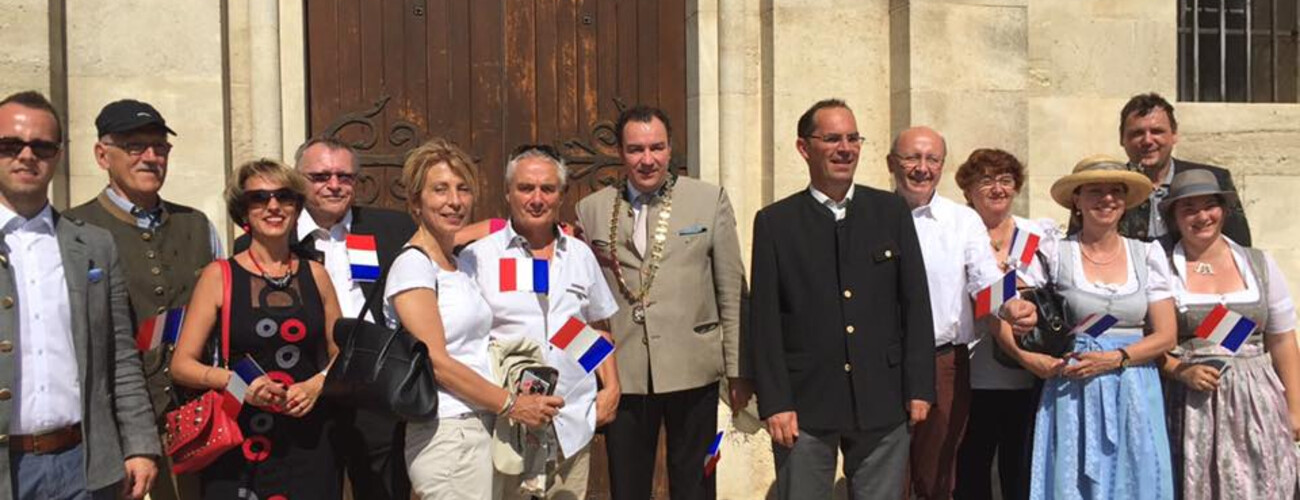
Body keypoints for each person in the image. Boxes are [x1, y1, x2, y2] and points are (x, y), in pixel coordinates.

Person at [749, 98, 935, 499]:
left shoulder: (890, 211)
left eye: (852, 138)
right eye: (832, 138)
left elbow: (915, 303)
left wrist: (919, 385)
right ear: (804, 148)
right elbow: (764, 321)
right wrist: (775, 401)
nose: (845, 148)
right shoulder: (776, 222)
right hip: (805, 402)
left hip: (882, 396)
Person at [574, 105, 747, 500]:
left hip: (694, 369)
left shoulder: (708, 200)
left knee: (697, 481)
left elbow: (732, 291)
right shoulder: (593, 209)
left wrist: (737, 371)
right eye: (636, 149)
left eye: (657, 148)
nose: (647, 160)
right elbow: (586, 304)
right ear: (621, 152)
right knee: (628, 486)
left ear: (670, 150)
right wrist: (592, 375)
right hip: (626, 372)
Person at [234, 136, 417, 500]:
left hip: (373, 390)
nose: (334, 185)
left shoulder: (393, 229)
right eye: (319, 176)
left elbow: (446, 243)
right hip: (304, 392)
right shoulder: (267, 239)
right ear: (297, 181)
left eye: (344, 177)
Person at [0, 90, 160, 499]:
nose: (26, 156)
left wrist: (140, 445)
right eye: (10, 145)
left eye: (42, 146)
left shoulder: (93, 245)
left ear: (58, 155)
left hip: (85, 466)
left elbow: (120, 355)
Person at [387, 137, 563, 500]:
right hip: (448, 430)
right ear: (415, 201)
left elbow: (498, 228)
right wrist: (513, 404)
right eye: (440, 189)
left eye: (463, 189)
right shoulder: (412, 266)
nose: (455, 201)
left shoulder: (461, 262)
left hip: (482, 426)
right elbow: (436, 361)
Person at [65, 98, 221, 500]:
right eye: (135, 147)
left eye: (160, 147)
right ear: (103, 155)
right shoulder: (74, 230)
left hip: (197, 421)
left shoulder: (197, 225)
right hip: (113, 423)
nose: (151, 158)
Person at [999, 154, 1177, 499]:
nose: (1106, 199)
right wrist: (1021, 333)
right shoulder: (1053, 248)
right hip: (1073, 386)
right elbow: (1004, 295)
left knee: (1134, 477)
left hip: (1134, 385)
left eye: (1115, 191)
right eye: (1095, 191)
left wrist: (1117, 358)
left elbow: (1165, 335)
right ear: (1077, 200)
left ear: (1125, 202)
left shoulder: (1148, 253)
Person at [170, 159, 343, 499]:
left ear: (296, 207)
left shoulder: (316, 274)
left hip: (308, 439)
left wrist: (317, 384)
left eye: (284, 197)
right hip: (239, 440)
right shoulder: (218, 276)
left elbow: (342, 353)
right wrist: (238, 385)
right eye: (259, 199)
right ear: (243, 211)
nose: (273, 206)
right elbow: (182, 364)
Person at [459, 144, 620, 499]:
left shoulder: (579, 256)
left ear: (561, 195)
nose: (536, 198)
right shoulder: (478, 258)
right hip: (507, 427)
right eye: (525, 188)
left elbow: (591, 329)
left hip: (571, 423)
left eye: (547, 189)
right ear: (507, 193)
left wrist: (610, 386)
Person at [886, 127, 1034, 499]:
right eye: (912, 158)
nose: (922, 168)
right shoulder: (871, 215)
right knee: (885, 475)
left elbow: (984, 276)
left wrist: (1010, 303)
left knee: (938, 474)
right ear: (892, 164)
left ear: (941, 165)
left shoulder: (962, 221)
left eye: (932, 159)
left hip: (944, 362)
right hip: (882, 364)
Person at [1156, 169, 1300, 500]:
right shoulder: (1161, 266)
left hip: (1257, 401)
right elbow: (1149, 341)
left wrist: (1294, 409)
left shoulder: (1259, 263)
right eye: (1189, 209)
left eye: (1210, 206)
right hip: (1192, 404)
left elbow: (1282, 339)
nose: (1202, 216)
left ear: (1224, 210)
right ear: (1175, 217)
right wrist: (1180, 370)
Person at [952, 149, 1055, 500]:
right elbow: (978, 300)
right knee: (971, 468)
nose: (997, 188)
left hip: (1030, 375)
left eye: (1006, 180)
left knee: (1020, 469)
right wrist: (1008, 299)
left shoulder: (1038, 234)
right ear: (968, 190)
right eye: (986, 180)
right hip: (974, 372)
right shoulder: (959, 233)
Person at [1095, 92, 1251, 246]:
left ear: (1174, 135)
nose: (1147, 140)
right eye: (1137, 133)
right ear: (1122, 139)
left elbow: (1239, 248)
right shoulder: (1107, 188)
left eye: (1157, 131)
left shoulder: (1212, 179)